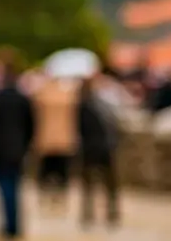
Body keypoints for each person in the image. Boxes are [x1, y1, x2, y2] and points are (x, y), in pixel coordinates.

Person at [0, 59, 35, 239]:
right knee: (15, 187)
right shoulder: (23, 99)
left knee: (5, 188)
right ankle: (15, 224)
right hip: (18, 149)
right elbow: (31, 125)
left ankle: (8, 224)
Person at [77, 75, 120, 229]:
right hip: (105, 147)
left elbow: (79, 129)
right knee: (108, 184)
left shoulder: (82, 106)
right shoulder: (102, 104)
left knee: (90, 184)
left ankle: (90, 214)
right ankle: (110, 213)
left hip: (91, 149)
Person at [33, 75, 79, 214]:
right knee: (61, 172)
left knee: (46, 172)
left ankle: (46, 198)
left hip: (46, 140)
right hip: (64, 141)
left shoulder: (42, 96)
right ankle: (59, 199)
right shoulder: (69, 96)